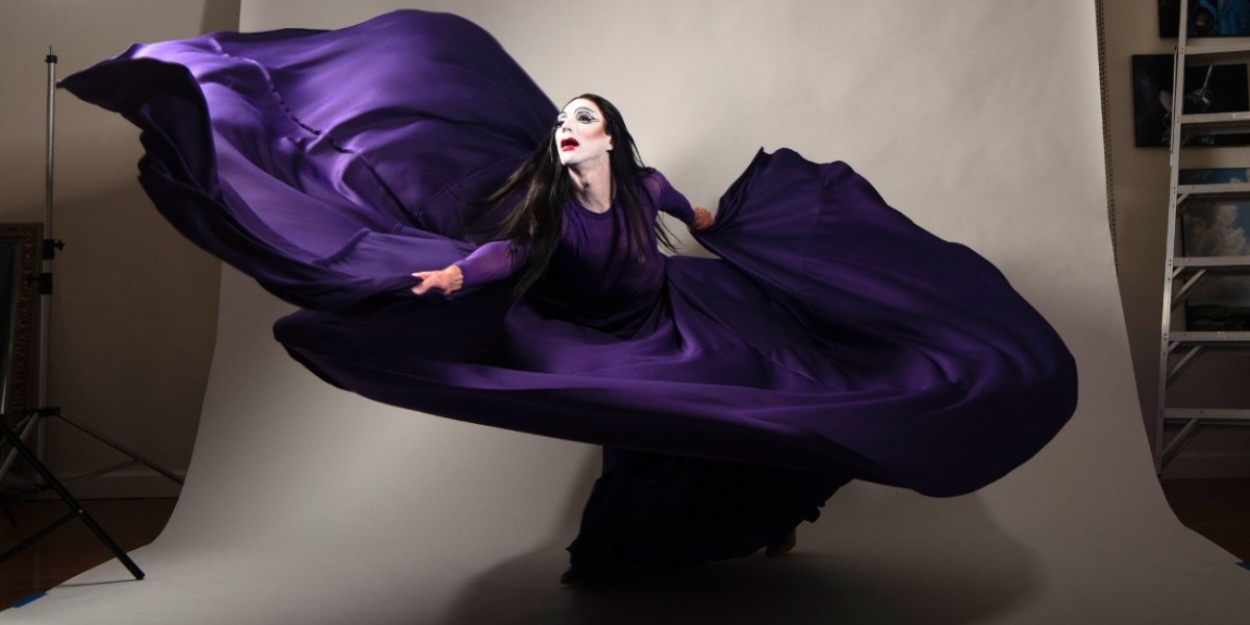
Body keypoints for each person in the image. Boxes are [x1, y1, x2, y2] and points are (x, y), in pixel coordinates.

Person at [409, 94, 844, 584]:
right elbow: (511, 251)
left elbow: (689, 212)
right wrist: (457, 274)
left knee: (743, 408)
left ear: (610, 138)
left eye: (583, 118)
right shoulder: (554, 212)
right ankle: (606, 552)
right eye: (561, 121)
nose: (566, 127)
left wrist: (715, 224)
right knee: (644, 438)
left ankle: (777, 513)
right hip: (607, 339)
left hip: (674, 316)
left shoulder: (647, 185)